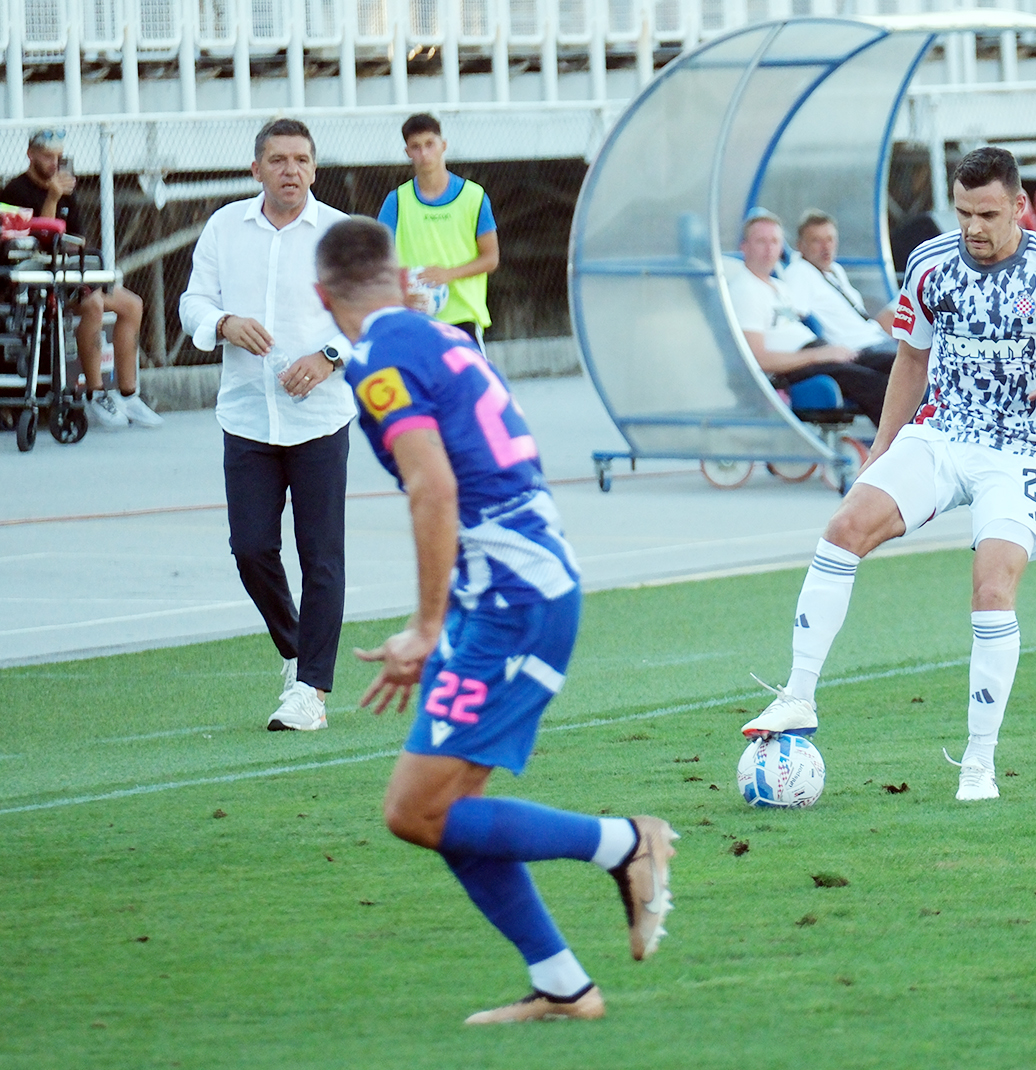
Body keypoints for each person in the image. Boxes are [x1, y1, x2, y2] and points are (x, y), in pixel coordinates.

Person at [319, 216, 676, 1024]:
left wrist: (425, 625)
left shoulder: (377, 359)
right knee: (445, 812)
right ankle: (562, 984)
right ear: (400, 273)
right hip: (511, 589)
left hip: (510, 599)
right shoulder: (442, 337)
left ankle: (626, 843)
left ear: (320, 295)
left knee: (415, 811)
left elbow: (434, 487)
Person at [741, 147, 1036, 801]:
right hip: (940, 435)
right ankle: (798, 696)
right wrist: (881, 450)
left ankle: (978, 764)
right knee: (844, 527)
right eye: (963, 213)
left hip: (1019, 450)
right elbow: (910, 360)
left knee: (992, 591)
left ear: (1018, 206)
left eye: (987, 214)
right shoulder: (930, 263)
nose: (974, 228)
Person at [178, 118, 355, 732]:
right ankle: (296, 651)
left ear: (314, 167)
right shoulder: (225, 227)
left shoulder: (340, 234)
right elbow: (193, 303)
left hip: (321, 420)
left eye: (302, 160)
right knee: (251, 549)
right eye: (278, 160)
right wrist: (224, 322)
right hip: (248, 415)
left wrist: (327, 357)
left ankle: (311, 691)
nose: (290, 170)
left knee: (321, 557)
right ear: (257, 168)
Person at [2, 128, 159, 430]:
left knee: (131, 305)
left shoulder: (66, 189)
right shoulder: (15, 190)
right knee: (93, 305)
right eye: (47, 156)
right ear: (31, 155)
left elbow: (75, 236)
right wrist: (52, 196)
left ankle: (129, 394)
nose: (53, 163)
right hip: (36, 280)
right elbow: (42, 235)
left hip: (70, 271)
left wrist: (70, 234)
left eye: (58, 157)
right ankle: (95, 393)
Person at [726, 210, 895, 425]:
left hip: (818, 352)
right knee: (878, 386)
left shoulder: (778, 287)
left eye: (775, 242)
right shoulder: (745, 290)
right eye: (761, 242)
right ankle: (896, 449)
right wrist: (820, 355)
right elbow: (759, 359)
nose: (769, 249)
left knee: (895, 364)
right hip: (793, 368)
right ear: (744, 247)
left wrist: (826, 352)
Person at [377, 113, 499, 345]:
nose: (424, 154)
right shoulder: (397, 201)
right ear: (407, 153)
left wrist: (447, 274)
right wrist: (401, 292)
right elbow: (377, 261)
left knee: (469, 382)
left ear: (443, 146)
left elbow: (491, 258)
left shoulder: (474, 197)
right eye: (416, 147)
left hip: (462, 318)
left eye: (429, 144)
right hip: (413, 317)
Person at [780, 209, 897, 355]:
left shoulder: (835, 270)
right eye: (817, 241)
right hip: (859, 350)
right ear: (800, 246)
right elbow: (795, 317)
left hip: (877, 339)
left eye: (830, 239)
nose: (826, 248)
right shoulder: (799, 272)